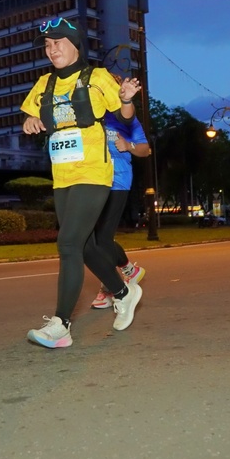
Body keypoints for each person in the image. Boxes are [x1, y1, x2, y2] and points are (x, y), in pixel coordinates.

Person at [21, 17, 144, 348]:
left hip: (93, 171)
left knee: (68, 243)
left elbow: (126, 117)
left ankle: (61, 326)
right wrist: (30, 121)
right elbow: (32, 116)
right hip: (62, 175)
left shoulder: (97, 78)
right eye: (48, 45)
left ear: (75, 45)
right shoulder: (43, 84)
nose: (52, 50)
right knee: (85, 247)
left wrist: (127, 98)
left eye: (58, 43)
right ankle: (123, 292)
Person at [90, 83, 152, 309]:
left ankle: (109, 288)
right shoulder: (95, 115)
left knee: (103, 238)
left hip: (118, 180)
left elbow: (145, 150)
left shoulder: (128, 120)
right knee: (94, 238)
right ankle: (128, 269)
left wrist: (129, 145)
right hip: (93, 180)